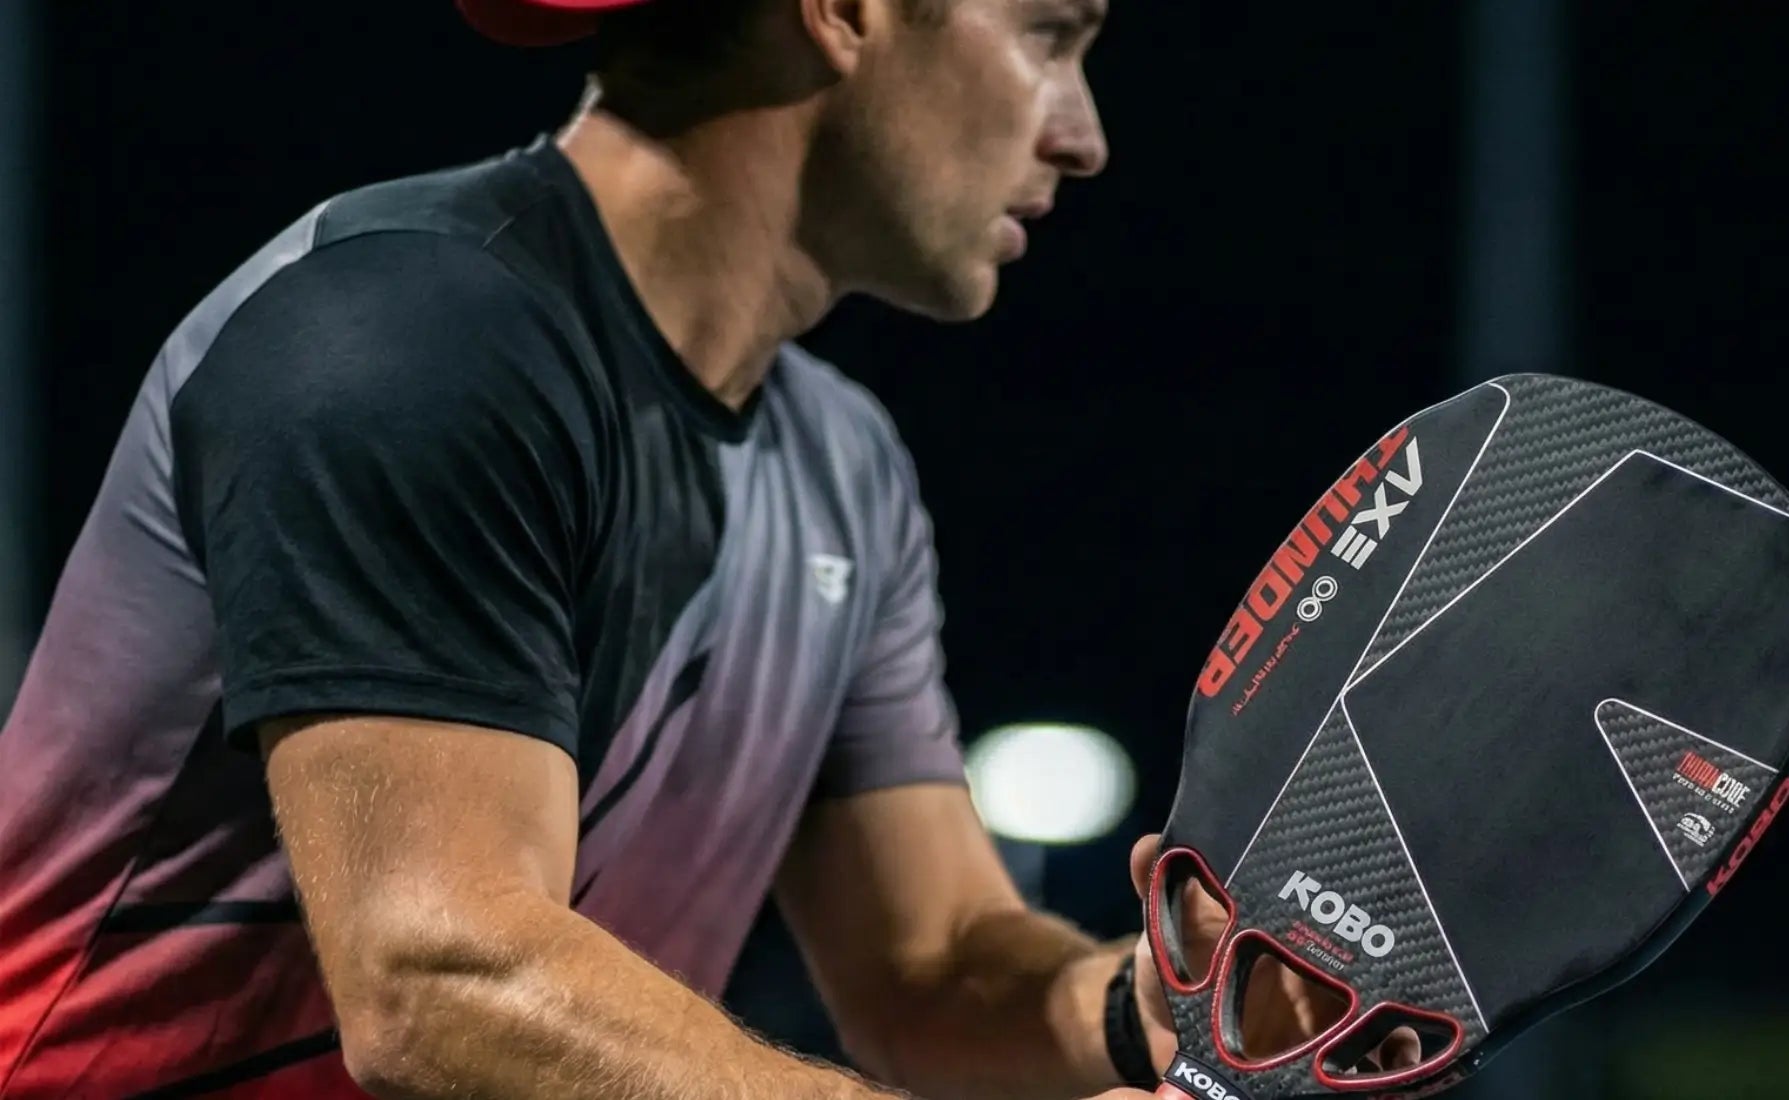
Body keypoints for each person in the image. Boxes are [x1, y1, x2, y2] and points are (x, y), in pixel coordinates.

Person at [0, 0, 1308, 1095]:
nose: (1084, 138)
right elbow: (445, 976)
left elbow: (936, 971)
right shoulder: (403, 338)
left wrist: (1163, 1000)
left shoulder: (846, 467)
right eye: (1046, 33)